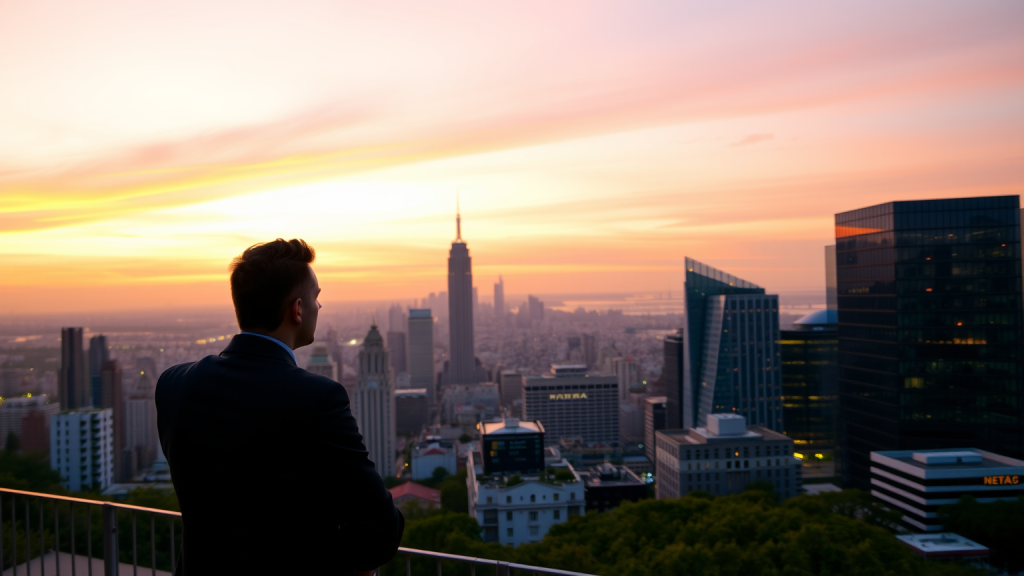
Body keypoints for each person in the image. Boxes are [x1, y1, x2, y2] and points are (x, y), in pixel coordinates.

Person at [156, 239, 404, 575]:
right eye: (316, 297)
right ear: (297, 309)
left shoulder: (173, 385)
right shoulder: (317, 398)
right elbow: (381, 528)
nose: (320, 307)